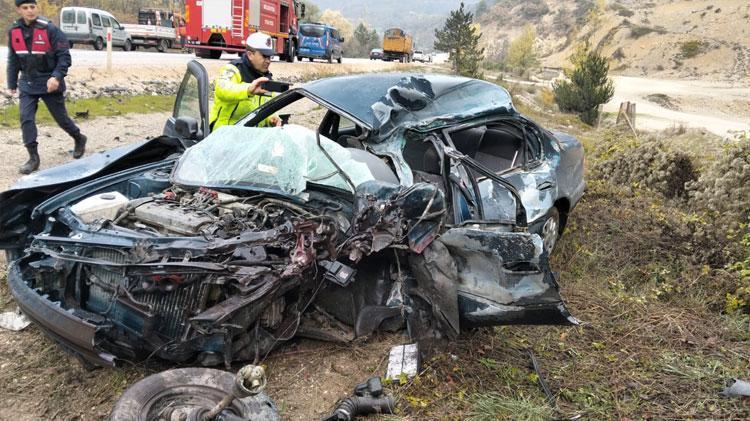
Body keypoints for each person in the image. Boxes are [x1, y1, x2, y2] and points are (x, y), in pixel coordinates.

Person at [6, 0, 86, 175]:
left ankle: (79, 138)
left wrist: (56, 76)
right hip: (27, 83)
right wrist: (11, 83)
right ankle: (33, 158)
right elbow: (13, 59)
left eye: (32, 7)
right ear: (19, 10)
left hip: (50, 82)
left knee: (61, 119)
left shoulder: (51, 29)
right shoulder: (14, 32)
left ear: (37, 7)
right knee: (26, 118)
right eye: (25, 8)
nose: (30, 10)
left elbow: (64, 56)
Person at [209, 32, 281, 130]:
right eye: (264, 56)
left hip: (251, 135)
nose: (268, 61)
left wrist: (272, 118)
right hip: (224, 133)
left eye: (269, 57)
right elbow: (222, 90)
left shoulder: (266, 77)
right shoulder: (233, 69)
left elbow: (268, 105)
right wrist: (248, 90)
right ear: (250, 55)